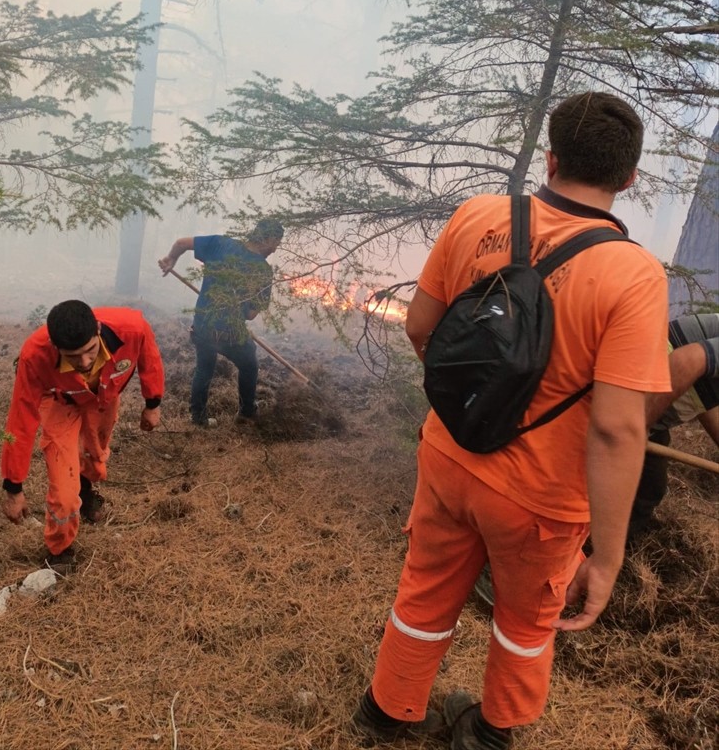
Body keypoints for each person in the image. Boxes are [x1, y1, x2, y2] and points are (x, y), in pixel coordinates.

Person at [352, 92, 670, 749]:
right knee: (526, 621)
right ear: (629, 178)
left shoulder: (478, 218)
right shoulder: (633, 276)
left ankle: (387, 712)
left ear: (551, 159)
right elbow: (617, 427)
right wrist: (607, 557)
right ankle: (490, 735)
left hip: (449, 455)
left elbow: (421, 329)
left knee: (426, 589)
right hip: (542, 498)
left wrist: (475, 407)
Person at [0, 300, 164, 570]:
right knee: (63, 490)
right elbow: (20, 423)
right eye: (73, 357)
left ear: (98, 330)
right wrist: (13, 488)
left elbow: (151, 360)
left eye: (90, 351)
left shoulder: (132, 329)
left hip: (104, 397)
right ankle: (60, 549)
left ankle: (86, 492)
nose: (85, 362)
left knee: (94, 452)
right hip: (59, 403)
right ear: (55, 347)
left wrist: (153, 403)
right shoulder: (35, 357)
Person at [158, 218, 283, 427]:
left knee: (204, 368)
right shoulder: (262, 270)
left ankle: (198, 418)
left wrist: (171, 260)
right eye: (275, 243)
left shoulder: (220, 244)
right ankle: (246, 412)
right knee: (249, 363)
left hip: (202, 325)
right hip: (230, 334)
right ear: (268, 238)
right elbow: (251, 315)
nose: (274, 249)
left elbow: (181, 244)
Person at [629, 312, 719, 536]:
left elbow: (706, 397)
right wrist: (634, 427)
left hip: (650, 408)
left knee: (649, 488)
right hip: (634, 389)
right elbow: (687, 361)